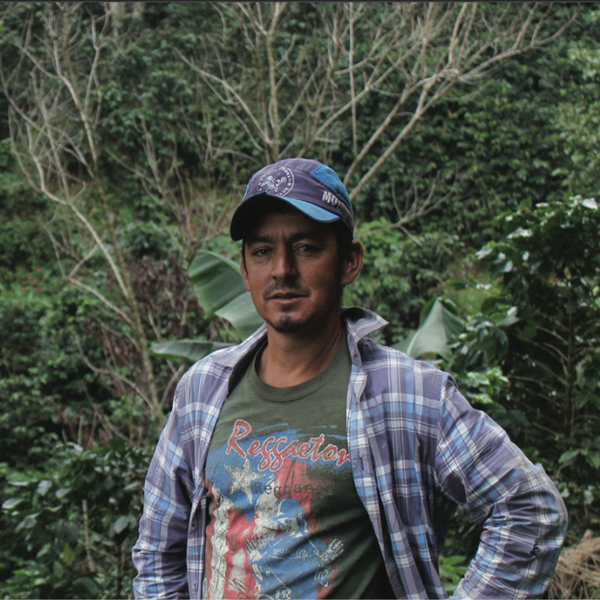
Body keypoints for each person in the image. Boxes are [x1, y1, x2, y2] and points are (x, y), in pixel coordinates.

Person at [132, 158, 567, 599]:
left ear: (349, 262)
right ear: (244, 269)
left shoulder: (410, 394)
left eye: (306, 248)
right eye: (262, 251)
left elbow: (528, 508)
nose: (281, 269)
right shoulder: (203, 390)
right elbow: (157, 550)